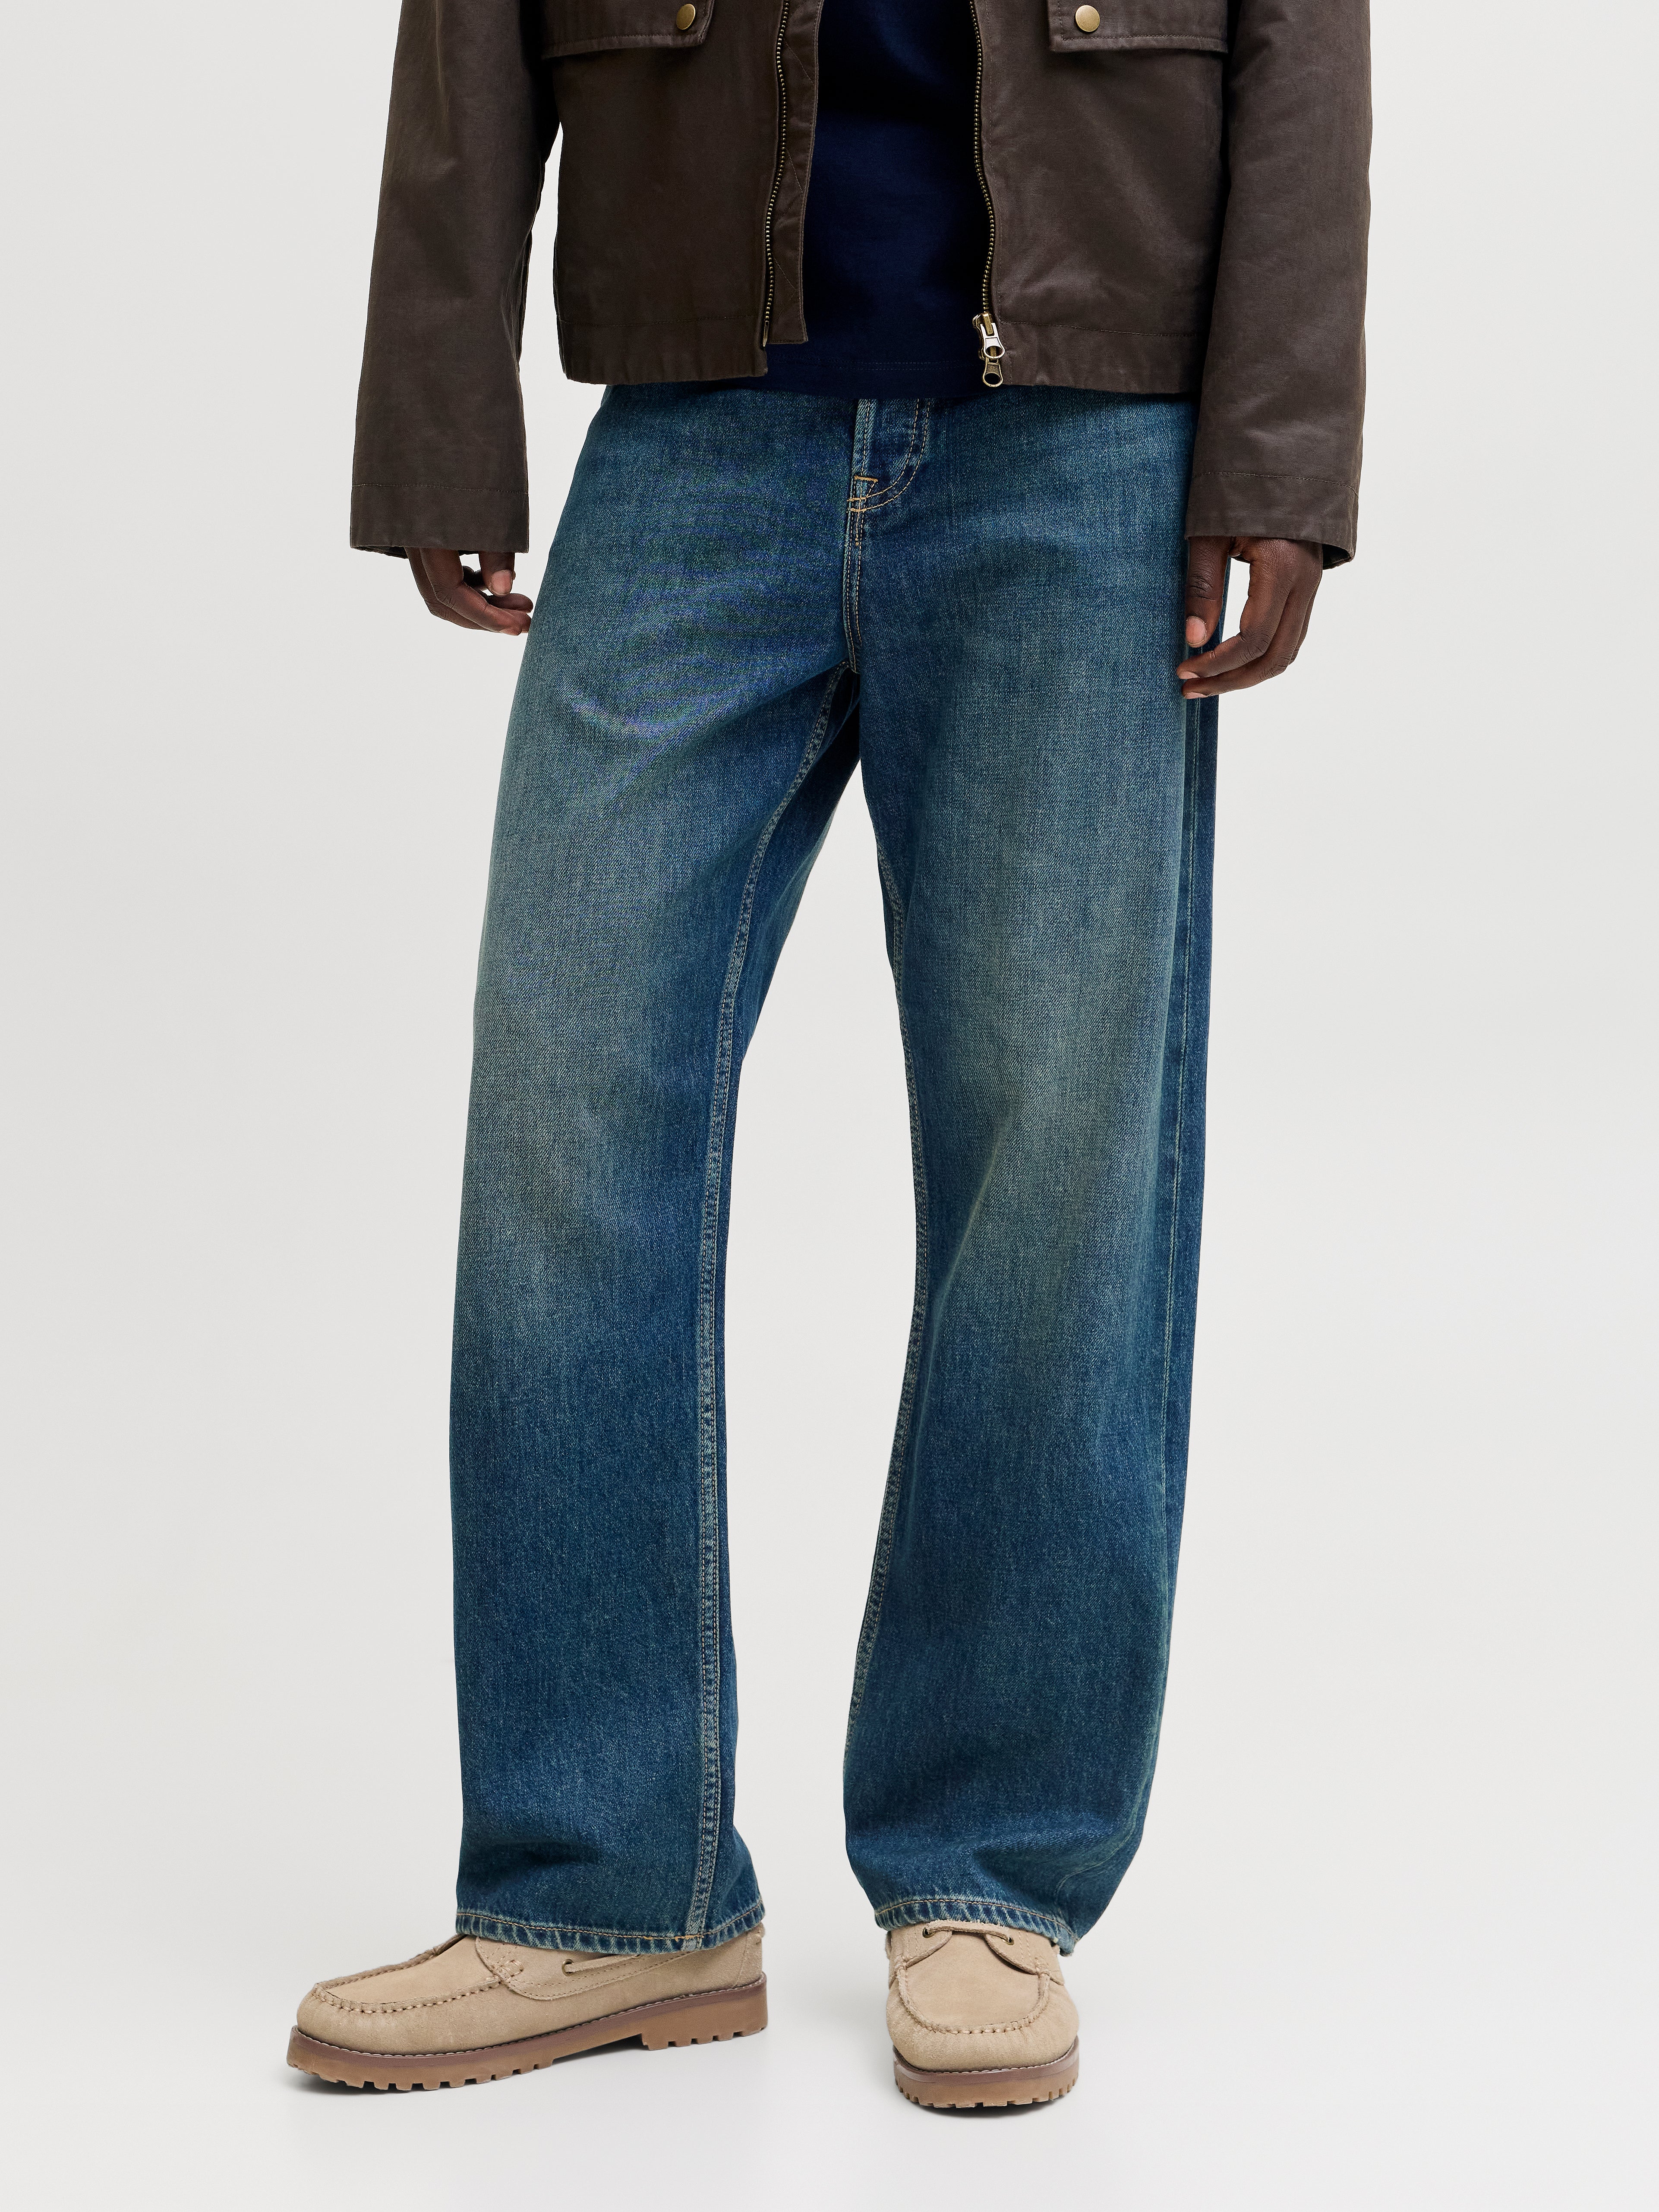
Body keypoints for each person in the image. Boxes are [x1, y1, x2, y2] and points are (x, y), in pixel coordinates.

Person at [287, 0, 1369, 2109]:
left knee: (1055, 1166)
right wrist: (436, 414)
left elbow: (1302, 42)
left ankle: (988, 1871)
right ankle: (607, 1886)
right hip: (695, 432)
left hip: (1088, 449)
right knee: (564, 1121)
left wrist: (1278, 456)